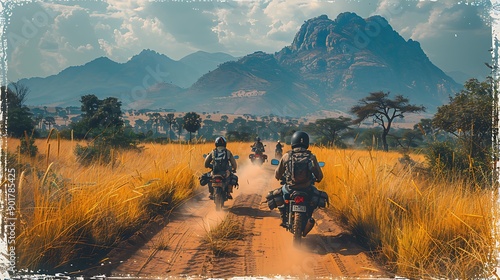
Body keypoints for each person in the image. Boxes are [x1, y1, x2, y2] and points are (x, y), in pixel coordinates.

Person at [274, 131, 323, 227]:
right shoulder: (311, 157)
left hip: (290, 188)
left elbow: (277, 174)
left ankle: (283, 217)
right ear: (307, 143)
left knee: (280, 194)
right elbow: (320, 175)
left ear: (293, 141)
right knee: (314, 199)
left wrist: (279, 177)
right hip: (307, 188)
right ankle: (309, 216)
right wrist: (317, 179)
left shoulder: (286, 156)